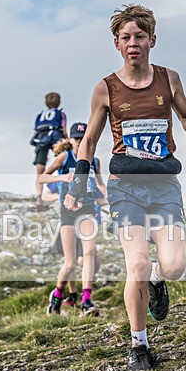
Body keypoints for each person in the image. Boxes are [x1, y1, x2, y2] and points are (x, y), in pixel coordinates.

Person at [64, 4, 186, 371]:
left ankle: (157, 279)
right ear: (116, 45)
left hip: (164, 185)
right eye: (125, 38)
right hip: (125, 188)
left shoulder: (169, 79)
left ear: (152, 40)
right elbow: (88, 140)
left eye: (139, 37)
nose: (133, 43)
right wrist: (79, 179)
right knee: (135, 263)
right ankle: (139, 345)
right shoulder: (105, 88)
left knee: (175, 265)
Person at [39, 122, 106, 315]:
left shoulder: (95, 161)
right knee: (70, 263)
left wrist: (110, 199)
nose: (79, 142)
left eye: (83, 139)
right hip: (67, 211)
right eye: (76, 139)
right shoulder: (64, 157)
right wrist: (61, 178)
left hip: (87, 210)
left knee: (90, 253)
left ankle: (86, 301)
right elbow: (42, 178)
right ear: (70, 140)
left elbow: (100, 185)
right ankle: (58, 295)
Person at [31, 92, 67, 210]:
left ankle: (39, 195)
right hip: (55, 136)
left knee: (39, 169)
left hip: (42, 138)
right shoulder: (60, 113)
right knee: (65, 160)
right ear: (59, 102)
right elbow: (64, 128)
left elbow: (35, 131)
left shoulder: (40, 115)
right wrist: (68, 141)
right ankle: (62, 187)